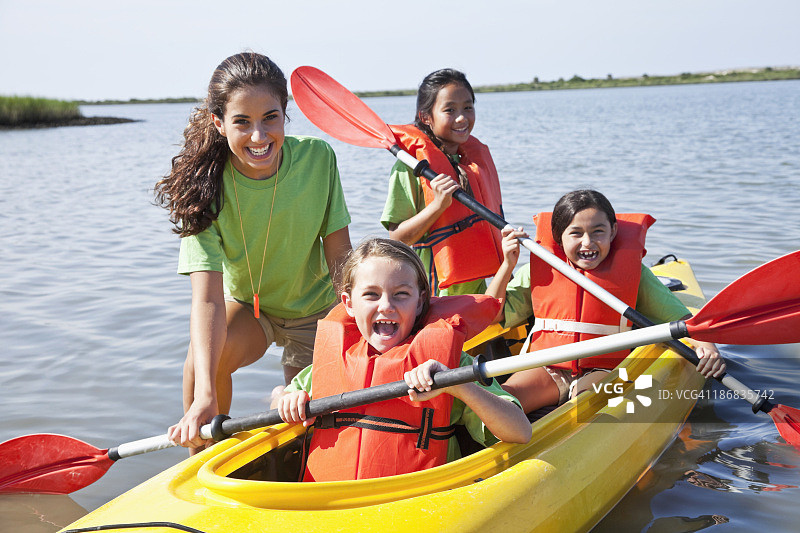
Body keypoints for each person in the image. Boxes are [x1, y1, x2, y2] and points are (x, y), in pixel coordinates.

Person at [155, 52, 352, 451]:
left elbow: (341, 259)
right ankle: (199, 458)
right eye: (242, 122)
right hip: (252, 309)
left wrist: (352, 326)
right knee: (201, 363)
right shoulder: (203, 188)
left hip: (317, 310)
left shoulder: (317, 159)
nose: (259, 137)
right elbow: (208, 299)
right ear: (219, 123)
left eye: (270, 118)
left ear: (285, 114)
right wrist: (205, 395)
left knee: (306, 423)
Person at [272, 238, 531, 481]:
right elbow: (278, 400)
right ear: (348, 304)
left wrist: (457, 385)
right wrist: (286, 398)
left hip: (414, 500)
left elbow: (520, 431)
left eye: (401, 294)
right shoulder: (327, 365)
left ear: (420, 303)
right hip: (330, 502)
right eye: (371, 294)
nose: (386, 305)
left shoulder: (448, 364)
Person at [486, 189, 726, 414]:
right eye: (576, 233)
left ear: (612, 231)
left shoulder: (635, 275)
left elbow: (684, 321)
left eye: (598, 231)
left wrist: (708, 346)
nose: (588, 242)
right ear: (559, 236)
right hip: (547, 366)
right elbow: (493, 313)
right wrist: (508, 264)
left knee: (582, 410)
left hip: (605, 369)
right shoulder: (536, 271)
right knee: (501, 403)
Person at [380, 69, 504, 296]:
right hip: (432, 293)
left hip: (475, 290)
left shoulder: (475, 163)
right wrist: (438, 205)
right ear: (426, 117)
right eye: (449, 110)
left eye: (468, 107)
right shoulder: (410, 167)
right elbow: (397, 237)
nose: (462, 118)